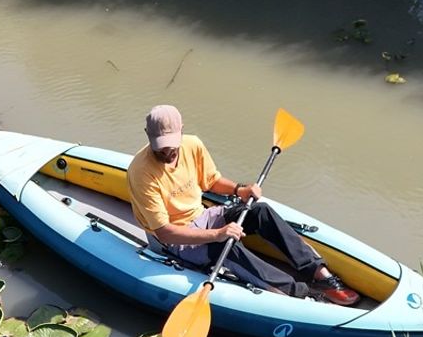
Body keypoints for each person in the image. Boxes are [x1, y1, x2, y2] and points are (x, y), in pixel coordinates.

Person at [126, 104, 359, 306]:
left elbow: (211, 181)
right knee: (225, 244)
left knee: (260, 211)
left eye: (171, 145)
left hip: (204, 215)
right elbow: (165, 232)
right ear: (147, 134)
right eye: (160, 147)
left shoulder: (192, 145)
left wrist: (240, 190)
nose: (167, 152)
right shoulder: (141, 172)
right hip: (175, 239)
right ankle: (298, 294)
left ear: (181, 129)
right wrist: (216, 234)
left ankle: (319, 273)